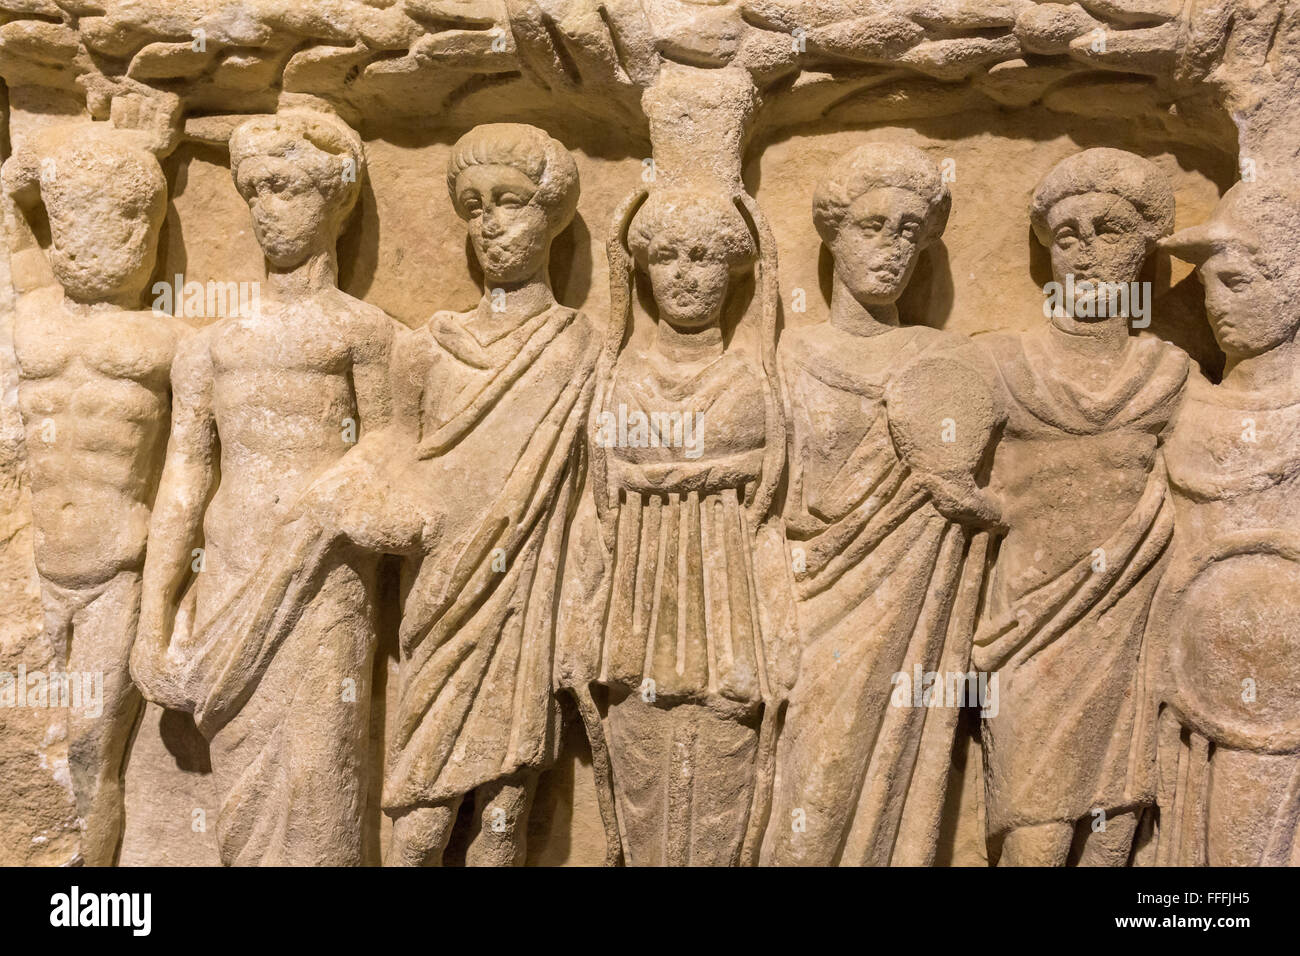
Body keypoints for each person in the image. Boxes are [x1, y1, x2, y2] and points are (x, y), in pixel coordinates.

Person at [762, 143, 1002, 866]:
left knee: (861, 786)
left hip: (902, 616)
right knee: (799, 788)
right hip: (800, 603)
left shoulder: (944, 360)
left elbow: (972, 490)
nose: (893, 247)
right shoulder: (787, 356)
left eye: (910, 231)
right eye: (873, 225)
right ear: (832, 232)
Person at [973, 148, 1189, 866]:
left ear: (1145, 247)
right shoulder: (1000, 364)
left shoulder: (1170, 375)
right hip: (1029, 629)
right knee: (1034, 832)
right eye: (1068, 236)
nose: (1088, 253)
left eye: (1110, 231)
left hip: (1131, 628)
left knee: (1114, 833)